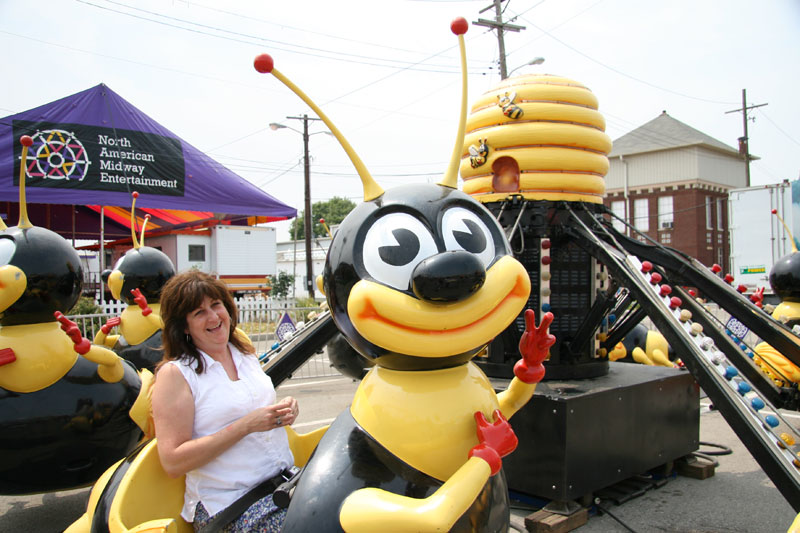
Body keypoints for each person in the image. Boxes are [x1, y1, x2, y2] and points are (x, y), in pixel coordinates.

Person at [151, 270, 298, 532]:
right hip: (231, 504)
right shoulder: (176, 374)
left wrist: (284, 409)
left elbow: (257, 412)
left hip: (283, 484)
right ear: (184, 327)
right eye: (199, 312)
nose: (213, 316)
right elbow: (173, 462)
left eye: (216, 305)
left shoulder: (244, 355)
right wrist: (245, 426)